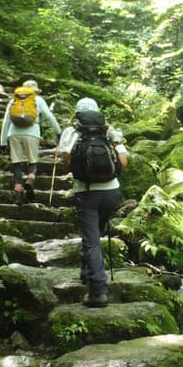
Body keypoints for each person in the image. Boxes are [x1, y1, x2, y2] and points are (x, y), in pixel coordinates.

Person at [55, 98, 128, 307]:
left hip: (86, 193)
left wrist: (76, 167)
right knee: (94, 234)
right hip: (112, 192)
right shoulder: (109, 131)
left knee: (91, 240)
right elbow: (123, 162)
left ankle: (98, 292)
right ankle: (87, 271)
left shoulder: (71, 133)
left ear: (77, 114)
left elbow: (66, 166)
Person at [0, 79, 61, 203]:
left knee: (17, 163)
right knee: (32, 161)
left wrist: (3, 141)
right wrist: (59, 132)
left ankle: (18, 192)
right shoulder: (38, 100)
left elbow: (6, 121)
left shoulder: (13, 100)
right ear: (35, 91)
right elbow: (50, 116)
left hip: (14, 134)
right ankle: (30, 180)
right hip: (32, 134)